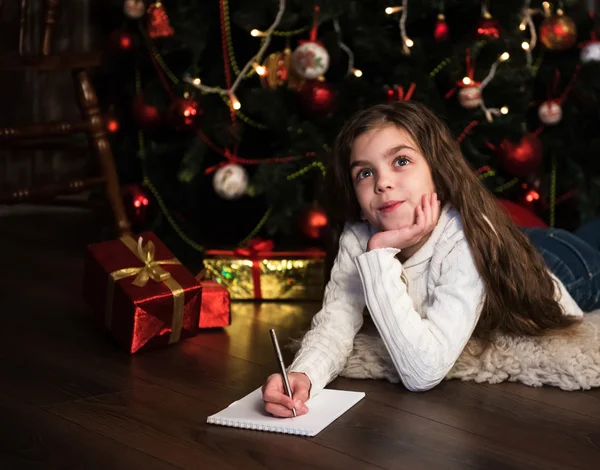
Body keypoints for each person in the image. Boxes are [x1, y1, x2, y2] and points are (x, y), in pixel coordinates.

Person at [262, 101, 600, 418]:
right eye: (364, 173)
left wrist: (379, 254)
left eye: (401, 161)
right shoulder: (358, 237)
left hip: (565, 267)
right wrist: (302, 373)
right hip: (512, 238)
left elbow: (423, 372)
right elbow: (336, 322)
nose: (383, 183)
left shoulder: (465, 238)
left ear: (437, 171)